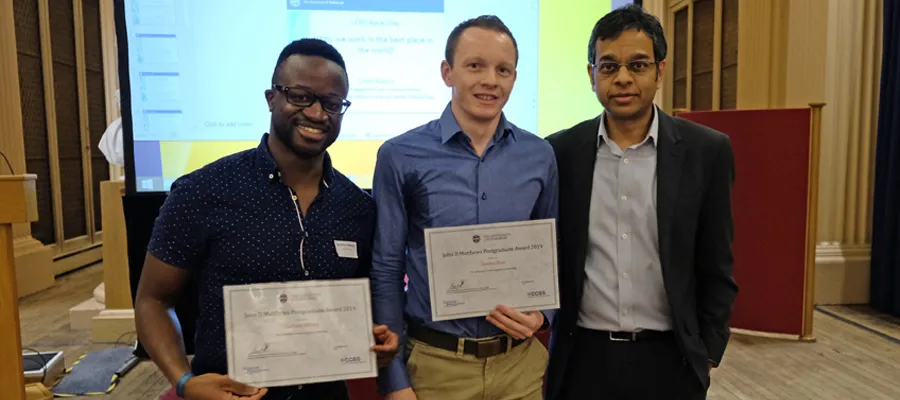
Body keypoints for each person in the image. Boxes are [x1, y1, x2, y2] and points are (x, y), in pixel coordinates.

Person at [134, 39, 399, 400]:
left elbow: (358, 310)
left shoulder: (358, 207)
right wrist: (184, 381)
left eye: (332, 103)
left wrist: (375, 339)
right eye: (301, 96)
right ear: (271, 98)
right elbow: (152, 301)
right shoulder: (202, 191)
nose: (318, 114)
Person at [544, 5, 738, 400]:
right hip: (583, 359)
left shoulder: (707, 151)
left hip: (671, 360)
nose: (623, 79)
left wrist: (708, 352)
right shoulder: (560, 152)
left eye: (638, 64)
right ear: (591, 74)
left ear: (660, 71)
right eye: (609, 66)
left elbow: (717, 262)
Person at [370, 15, 558, 400]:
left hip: (518, 368)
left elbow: (551, 253)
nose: (490, 80)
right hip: (436, 368)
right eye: (475, 65)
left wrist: (544, 315)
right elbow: (387, 268)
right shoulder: (399, 155)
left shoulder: (540, 156)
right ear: (447, 72)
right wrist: (394, 382)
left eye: (503, 69)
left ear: (514, 78)